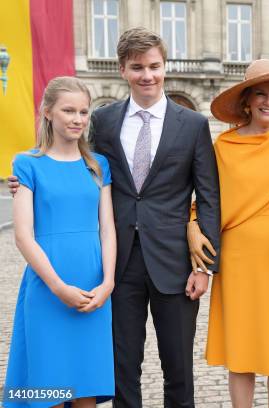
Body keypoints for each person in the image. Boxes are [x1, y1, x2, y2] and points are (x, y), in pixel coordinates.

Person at [9, 28, 222, 407]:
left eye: (155, 66)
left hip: (174, 262)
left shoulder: (192, 125)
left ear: (164, 67)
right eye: (137, 67)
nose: (147, 76)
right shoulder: (103, 121)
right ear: (123, 69)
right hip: (117, 263)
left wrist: (204, 268)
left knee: (179, 368)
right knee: (122, 367)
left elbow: (208, 197)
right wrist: (26, 179)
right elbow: (67, 155)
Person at [186, 59, 269, 407]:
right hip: (237, 258)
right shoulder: (223, 146)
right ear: (247, 101)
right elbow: (205, 197)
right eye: (261, 94)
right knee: (241, 347)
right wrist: (192, 225)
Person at [3, 76, 115, 407]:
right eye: (69, 110)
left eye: (84, 112)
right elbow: (23, 235)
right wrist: (57, 287)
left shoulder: (98, 165)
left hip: (93, 283)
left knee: (86, 388)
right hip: (48, 285)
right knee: (49, 386)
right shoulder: (26, 164)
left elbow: (107, 228)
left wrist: (108, 282)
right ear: (48, 112)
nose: (78, 119)